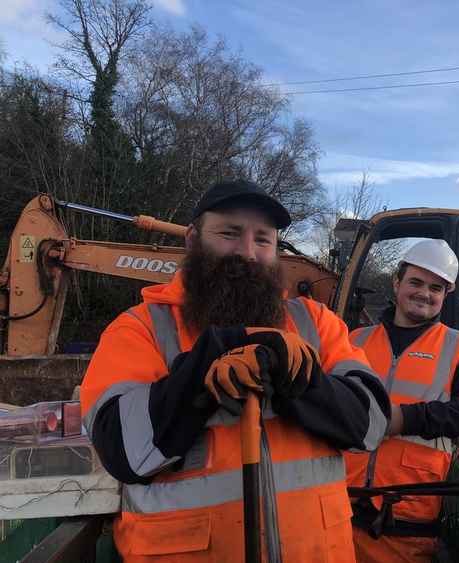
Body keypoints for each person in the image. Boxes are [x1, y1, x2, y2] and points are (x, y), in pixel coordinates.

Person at [81, 179, 390, 562]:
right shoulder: (141, 329)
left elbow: (371, 423)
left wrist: (298, 379)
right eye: (230, 233)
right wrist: (205, 365)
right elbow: (122, 450)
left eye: (263, 239)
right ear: (193, 239)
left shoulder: (315, 323)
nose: (247, 252)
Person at [345, 239, 459, 563]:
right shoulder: (353, 341)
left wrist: (403, 419)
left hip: (407, 524)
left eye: (436, 288)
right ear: (396, 282)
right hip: (339, 511)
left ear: (446, 294)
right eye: (415, 282)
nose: (424, 293)